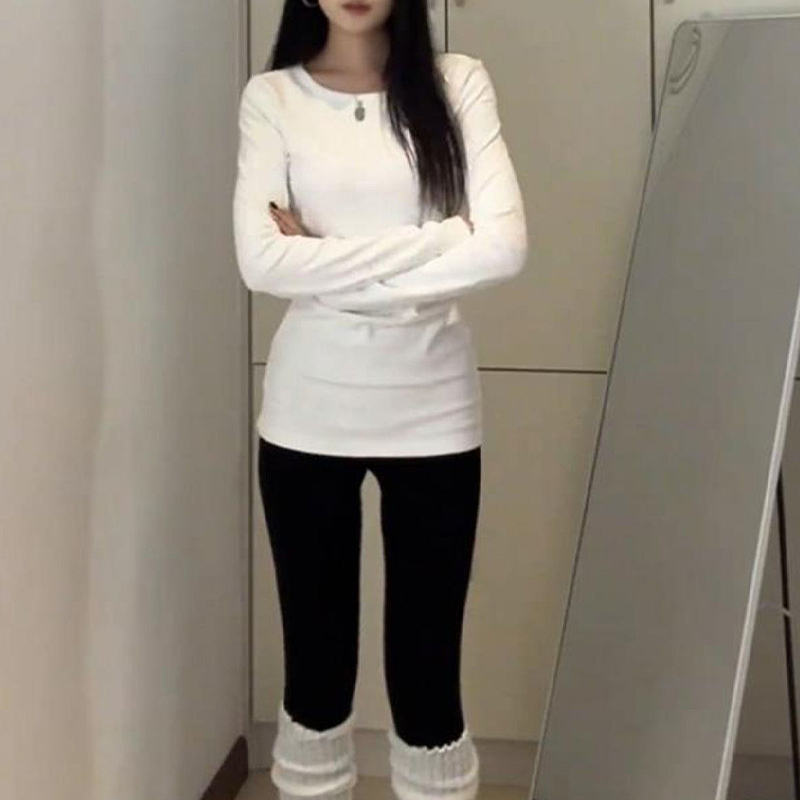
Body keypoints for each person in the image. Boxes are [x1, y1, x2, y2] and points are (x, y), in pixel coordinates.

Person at [232, 0, 528, 797]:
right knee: (316, 675)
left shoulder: (458, 84)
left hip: (434, 415)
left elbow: (504, 247)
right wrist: (445, 238)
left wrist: (325, 266)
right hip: (308, 416)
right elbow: (261, 263)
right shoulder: (273, 97)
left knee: (428, 681)